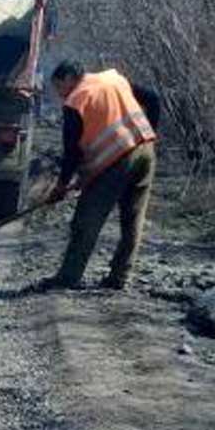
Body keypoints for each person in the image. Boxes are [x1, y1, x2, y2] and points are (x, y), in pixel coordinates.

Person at [36, 60, 161, 291]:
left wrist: (61, 186)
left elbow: (71, 152)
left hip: (116, 161)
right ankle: (119, 277)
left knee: (87, 219)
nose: (60, 94)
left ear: (68, 78)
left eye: (58, 87)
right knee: (133, 219)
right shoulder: (113, 79)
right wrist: (150, 134)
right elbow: (153, 99)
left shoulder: (77, 100)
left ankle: (68, 278)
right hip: (145, 151)